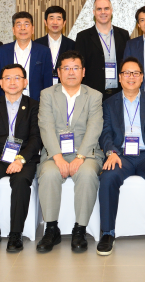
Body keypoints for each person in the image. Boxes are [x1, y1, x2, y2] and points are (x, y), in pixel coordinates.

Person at [97, 57, 145, 256]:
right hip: (121, 155)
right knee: (108, 176)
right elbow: (105, 133)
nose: (131, 77)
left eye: (135, 73)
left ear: (142, 78)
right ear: (120, 78)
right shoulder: (109, 103)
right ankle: (107, 232)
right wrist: (111, 152)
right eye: (127, 73)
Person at [36, 50, 105, 253]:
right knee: (48, 174)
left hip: (87, 153)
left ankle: (80, 229)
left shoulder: (94, 95)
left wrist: (80, 157)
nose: (71, 72)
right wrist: (57, 157)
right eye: (66, 68)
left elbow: (95, 127)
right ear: (59, 71)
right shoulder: (47, 94)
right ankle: (51, 229)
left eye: (75, 68)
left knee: (87, 174)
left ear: (83, 72)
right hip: (54, 152)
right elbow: (45, 126)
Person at [0, 64, 42, 253]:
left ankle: (15, 234)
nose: (12, 82)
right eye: (7, 78)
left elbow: (36, 138)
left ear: (25, 82)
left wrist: (20, 159)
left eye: (17, 78)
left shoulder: (34, 106)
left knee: (21, 181)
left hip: (24, 158)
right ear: (0, 82)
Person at [0, 11, 53, 101]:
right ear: (13, 30)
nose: (23, 28)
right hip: (7, 103)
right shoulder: (2, 51)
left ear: (32, 29)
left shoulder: (44, 51)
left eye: (26, 25)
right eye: (18, 25)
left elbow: (47, 83)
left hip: (35, 104)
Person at [75, 0, 128, 99]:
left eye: (106, 8)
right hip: (92, 94)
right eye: (99, 9)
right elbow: (79, 66)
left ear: (111, 11)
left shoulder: (123, 35)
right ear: (94, 12)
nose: (103, 12)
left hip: (119, 94)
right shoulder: (83, 37)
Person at [34, 5, 76, 86]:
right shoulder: (37, 44)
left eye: (59, 19)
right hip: (42, 88)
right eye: (51, 18)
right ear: (45, 22)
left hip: (65, 88)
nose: (55, 22)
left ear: (64, 23)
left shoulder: (72, 45)